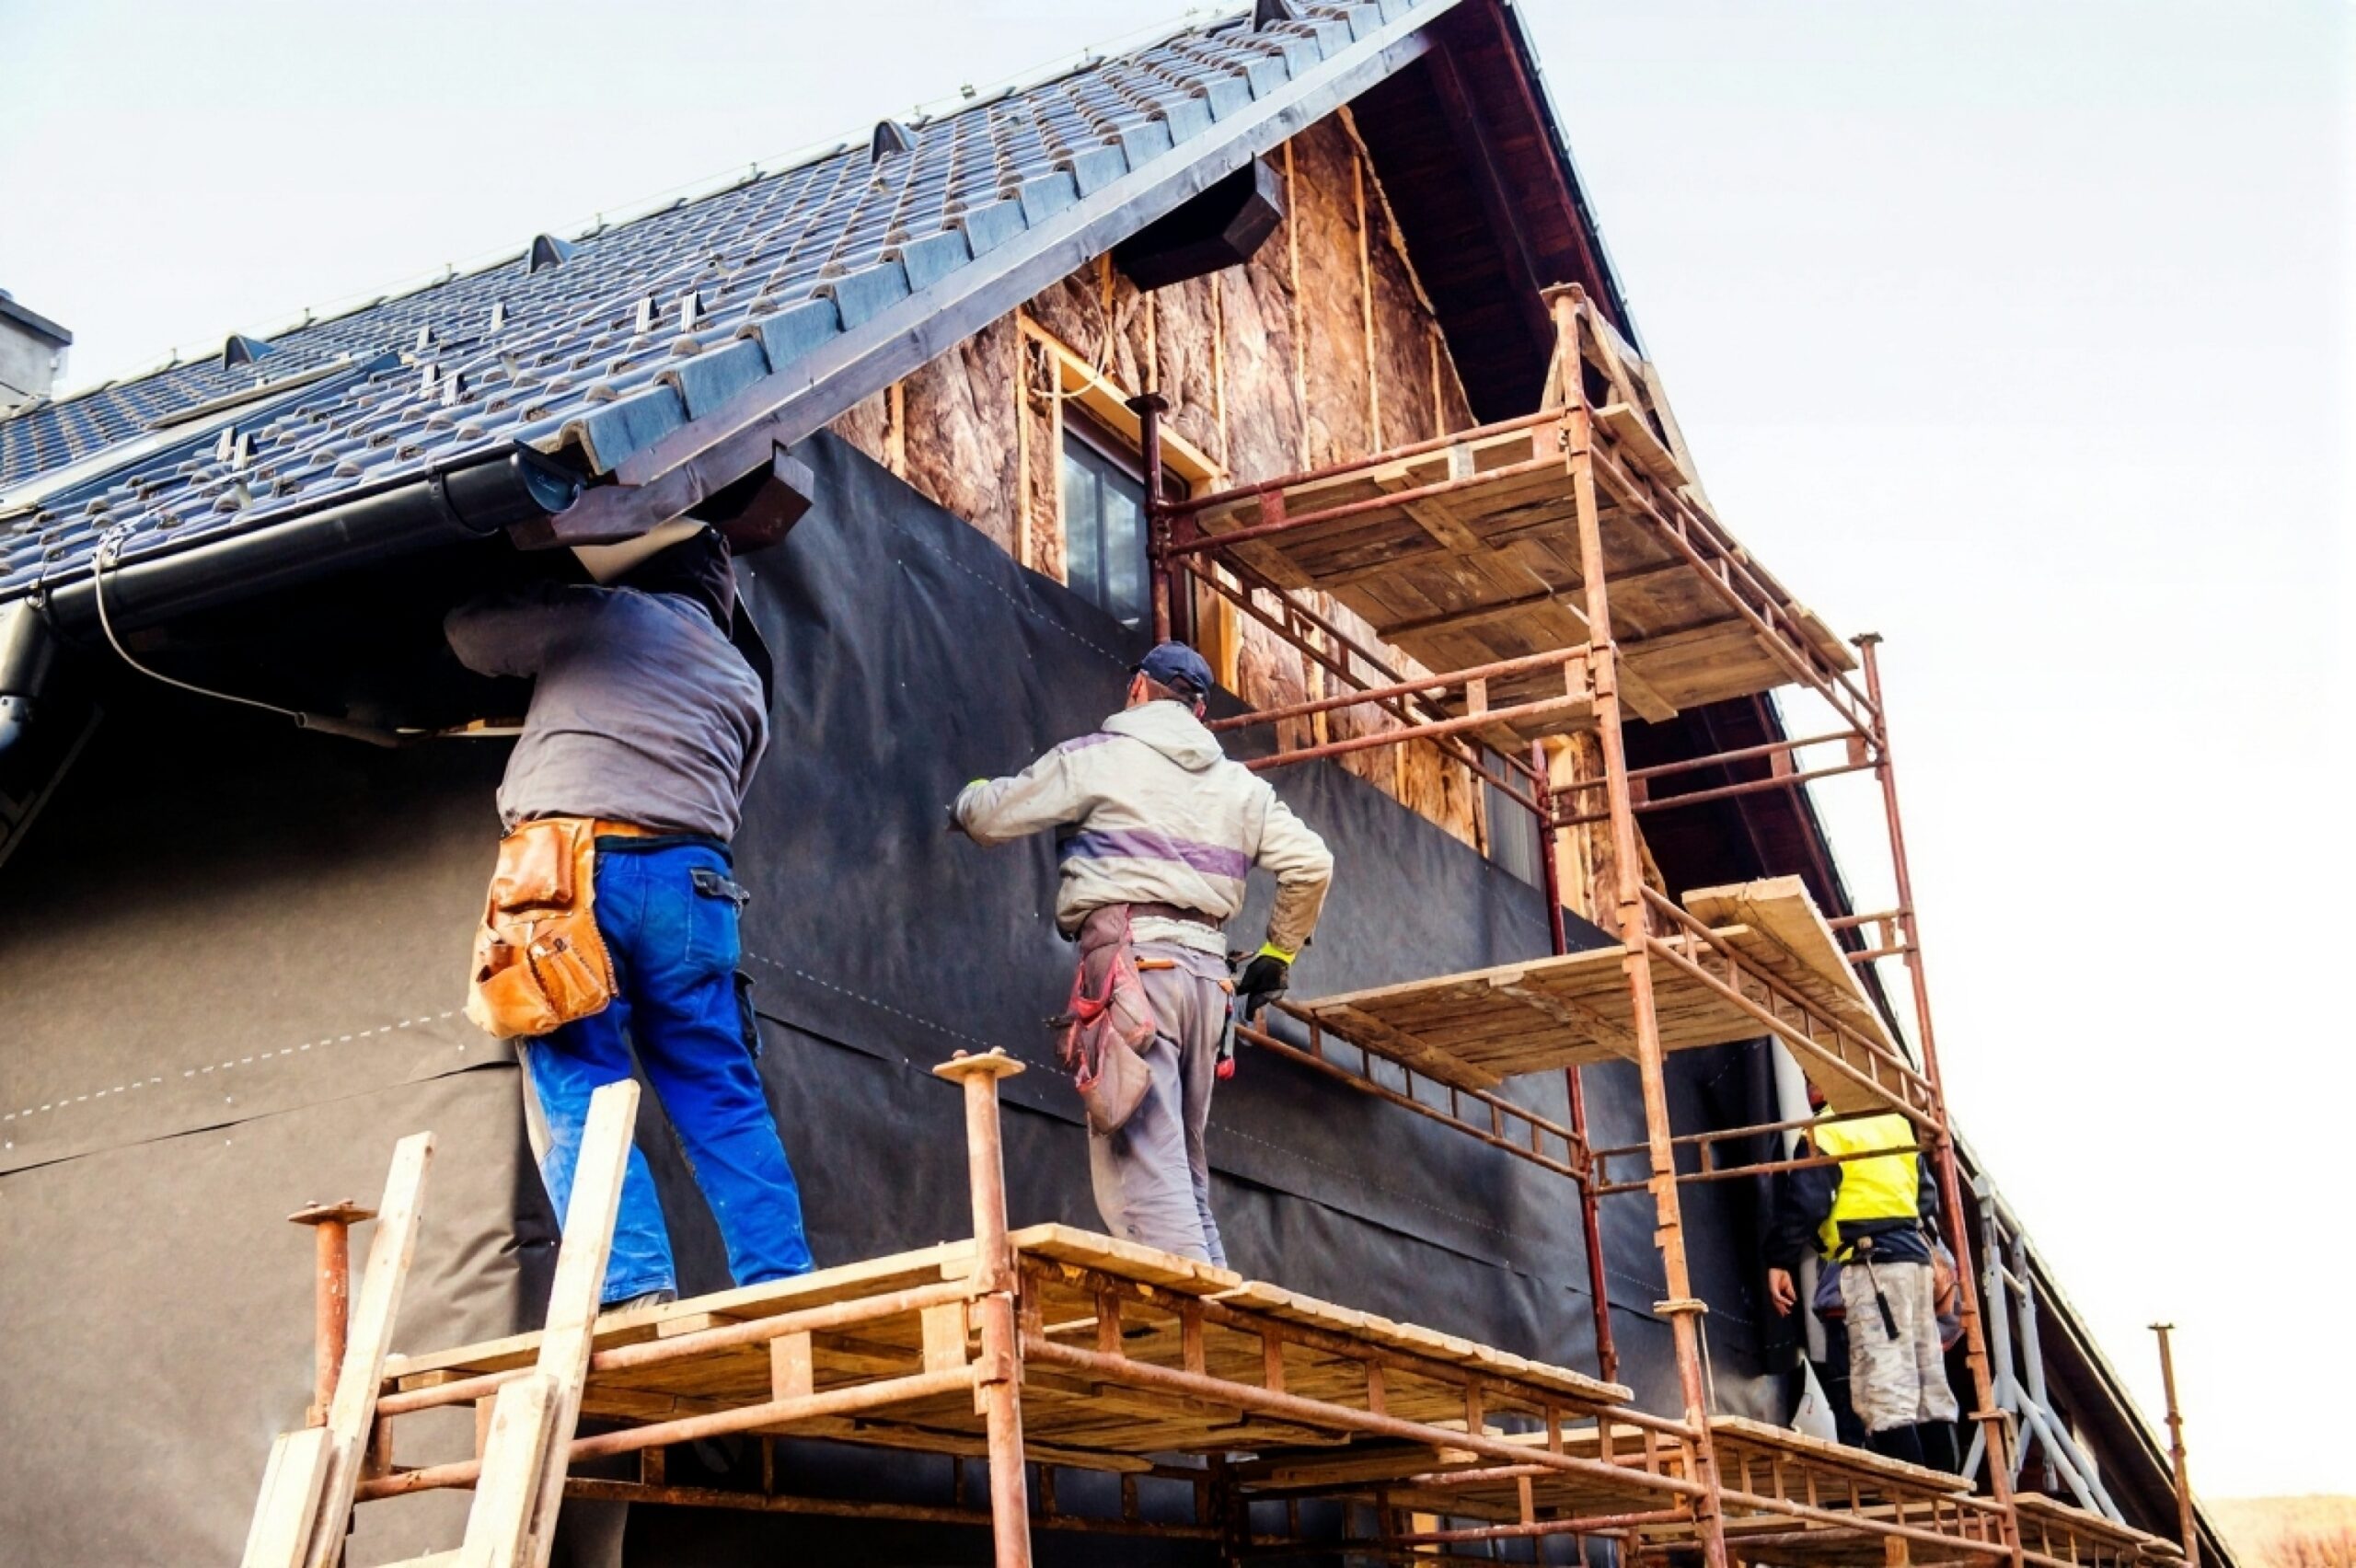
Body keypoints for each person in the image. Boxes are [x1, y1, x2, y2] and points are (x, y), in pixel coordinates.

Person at [445, 526, 814, 1311]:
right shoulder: (741, 678)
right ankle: (781, 1285)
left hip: (575, 872)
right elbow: (730, 795)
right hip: (695, 882)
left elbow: (473, 636)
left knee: (576, 1067)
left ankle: (631, 1285)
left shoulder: (610, 614)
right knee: (719, 1090)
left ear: (641, 573)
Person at [951, 641, 1333, 1267]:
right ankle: (1223, 1316)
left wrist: (965, 799)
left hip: (1135, 976)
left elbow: (992, 817)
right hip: (1209, 986)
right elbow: (1312, 864)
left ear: (1136, 690)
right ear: (1200, 710)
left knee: (1145, 1187)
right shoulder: (1241, 787)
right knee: (1180, 1173)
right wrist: (1276, 953)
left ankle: (1204, 1341)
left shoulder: (1099, 759)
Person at [1766, 1086, 1959, 1470]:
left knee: (1882, 1390)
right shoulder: (1895, 1124)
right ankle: (1951, 1496)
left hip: (1872, 1264)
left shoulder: (1825, 1132)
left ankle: (1916, 1499)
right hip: (1914, 1263)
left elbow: (1807, 1203)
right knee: (1925, 1386)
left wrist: (1779, 1260)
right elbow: (1925, 1201)